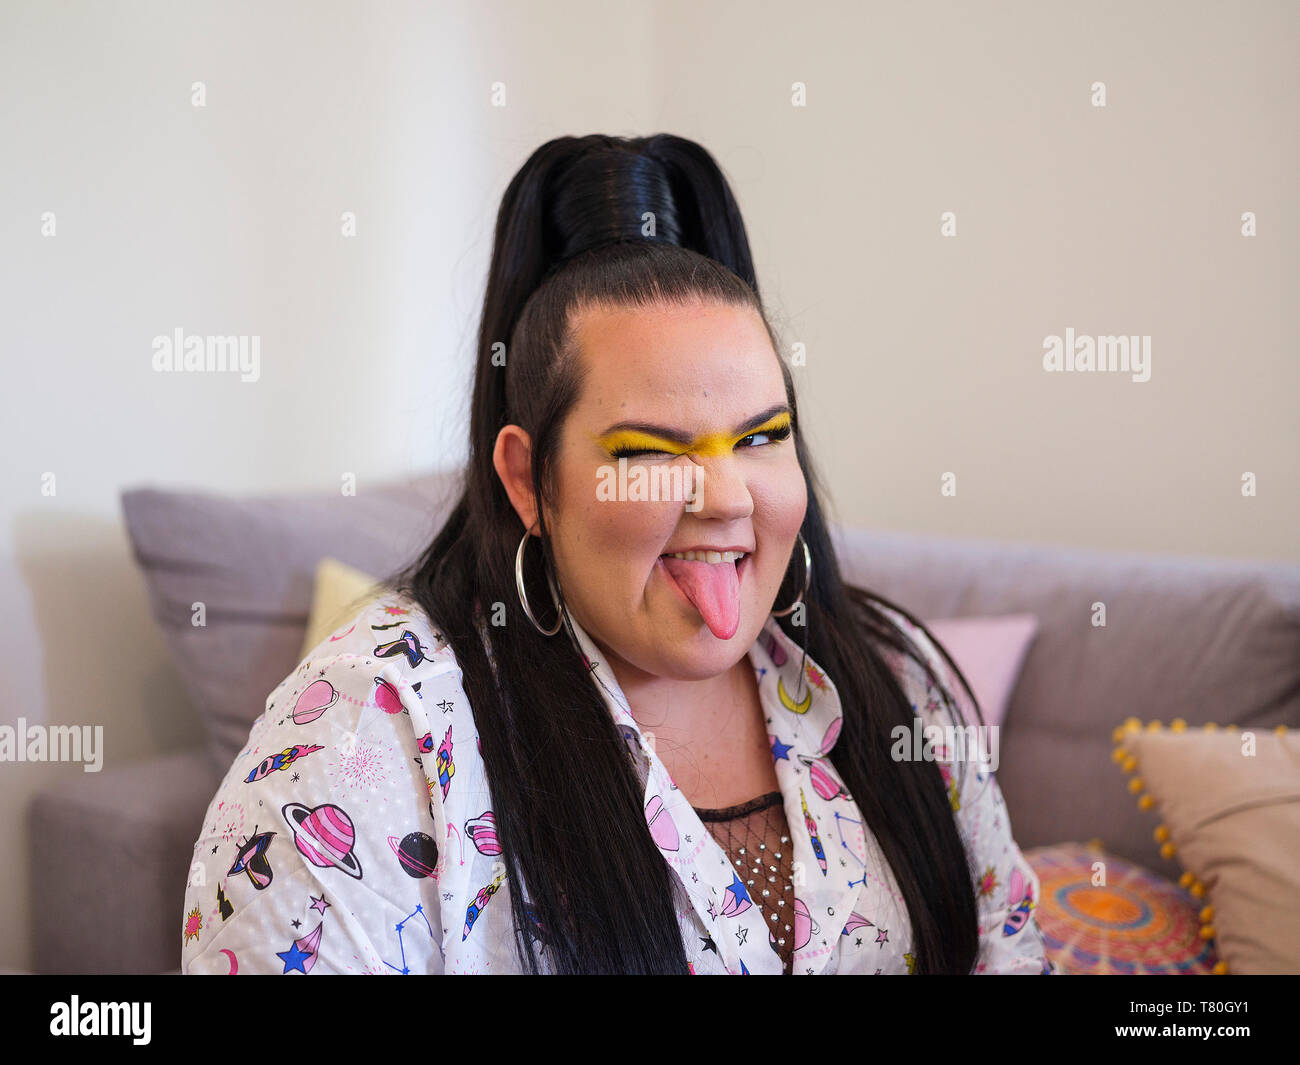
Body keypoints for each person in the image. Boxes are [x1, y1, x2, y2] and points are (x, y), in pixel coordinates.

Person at [180, 133, 1052, 975]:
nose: (725, 498)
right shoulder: (366, 731)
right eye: (647, 452)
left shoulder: (897, 682)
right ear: (530, 481)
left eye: (761, 437)